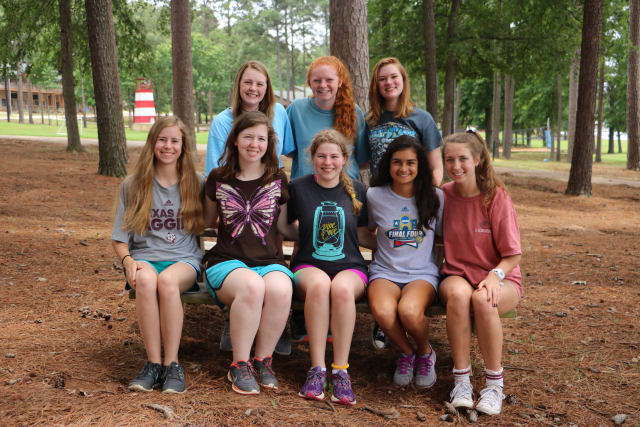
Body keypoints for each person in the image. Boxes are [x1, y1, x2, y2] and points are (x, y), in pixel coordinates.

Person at [202, 111, 297, 395]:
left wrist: (318, 236)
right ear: (235, 141)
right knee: (252, 286)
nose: (254, 144)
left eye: (261, 138)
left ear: (269, 143)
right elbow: (207, 222)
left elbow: (283, 226)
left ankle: (262, 360)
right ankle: (239, 364)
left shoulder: (277, 178)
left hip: (270, 262)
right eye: (248, 137)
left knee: (281, 288)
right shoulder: (218, 178)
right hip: (226, 263)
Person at [111, 116, 204, 394]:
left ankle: (172, 364)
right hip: (145, 258)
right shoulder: (134, 184)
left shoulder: (196, 183)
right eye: (162, 139)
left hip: (184, 260)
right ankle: (153, 364)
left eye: (175, 140)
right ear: (152, 143)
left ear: (183, 146)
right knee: (149, 281)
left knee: (166, 281)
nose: (168, 146)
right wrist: (128, 261)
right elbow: (119, 237)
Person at [285, 129, 375, 406]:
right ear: (312, 158)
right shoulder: (298, 187)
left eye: (334, 156)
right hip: (309, 264)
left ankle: (340, 370)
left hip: (350, 265)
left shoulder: (358, 190)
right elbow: (285, 226)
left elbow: (362, 234)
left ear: (345, 159)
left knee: (342, 291)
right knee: (321, 285)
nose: (328, 162)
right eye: (321, 156)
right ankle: (316, 369)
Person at [439, 130, 523, 416]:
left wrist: (493, 276)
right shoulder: (444, 195)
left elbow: (513, 254)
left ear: (477, 159)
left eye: (463, 158)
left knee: (484, 299)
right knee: (461, 295)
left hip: (500, 276)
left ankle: (493, 384)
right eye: (449, 159)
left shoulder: (495, 197)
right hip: (456, 274)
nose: (456, 166)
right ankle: (461, 381)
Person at [366, 135, 443, 388]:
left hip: (421, 273)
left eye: (410, 162)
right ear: (388, 165)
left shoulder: (435, 197)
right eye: (397, 162)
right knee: (384, 311)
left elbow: (445, 236)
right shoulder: (374, 195)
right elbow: (365, 232)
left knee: (409, 311)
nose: (403, 168)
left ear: (420, 165)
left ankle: (424, 352)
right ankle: (407, 353)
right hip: (385, 271)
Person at [286, 55, 369, 181]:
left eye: (329, 80)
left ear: (339, 82)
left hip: (345, 191)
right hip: (305, 191)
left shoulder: (354, 111)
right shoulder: (296, 110)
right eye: (317, 80)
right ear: (310, 82)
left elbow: (362, 159)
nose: (323, 85)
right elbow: (288, 151)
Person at [205, 60, 294, 176]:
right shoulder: (222, 122)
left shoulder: (278, 112)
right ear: (238, 84)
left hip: (272, 187)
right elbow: (213, 172)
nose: (253, 88)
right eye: (247, 82)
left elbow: (289, 151)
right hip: (235, 189)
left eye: (259, 84)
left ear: (267, 88)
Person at [366, 57, 443, 186]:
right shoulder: (369, 120)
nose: (389, 82)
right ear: (376, 85)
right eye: (382, 79)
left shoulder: (423, 118)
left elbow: (436, 167)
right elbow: (363, 160)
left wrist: (429, 195)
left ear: (403, 80)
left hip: (413, 195)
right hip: (380, 196)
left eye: (394, 76)